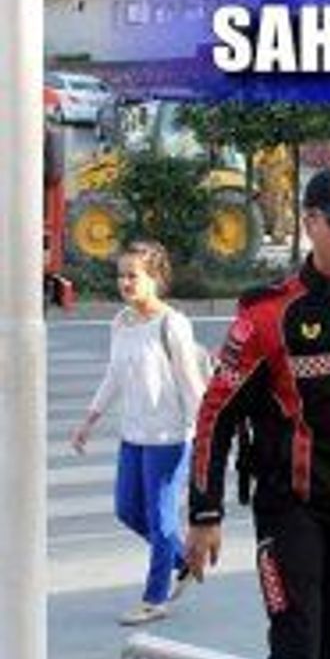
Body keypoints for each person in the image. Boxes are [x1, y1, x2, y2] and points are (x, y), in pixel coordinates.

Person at [183, 168, 330, 659]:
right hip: (291, 509)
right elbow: (216, 414)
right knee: (297, 642)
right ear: (310, 222)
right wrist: (205, 511)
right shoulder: (266, 314)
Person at [71, 240, 207, 626]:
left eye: (133, 275)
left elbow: (192, 386)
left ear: (155, 278)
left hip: (169, 438)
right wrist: (89, 420)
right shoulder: (121, 322)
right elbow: (114, 375)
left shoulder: (172, 324)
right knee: (127, 510)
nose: (125, 283)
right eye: (121, 275)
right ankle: (182, 560)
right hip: (133, 436)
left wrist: (204, 438)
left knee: (161, 521)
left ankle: (154, 599)